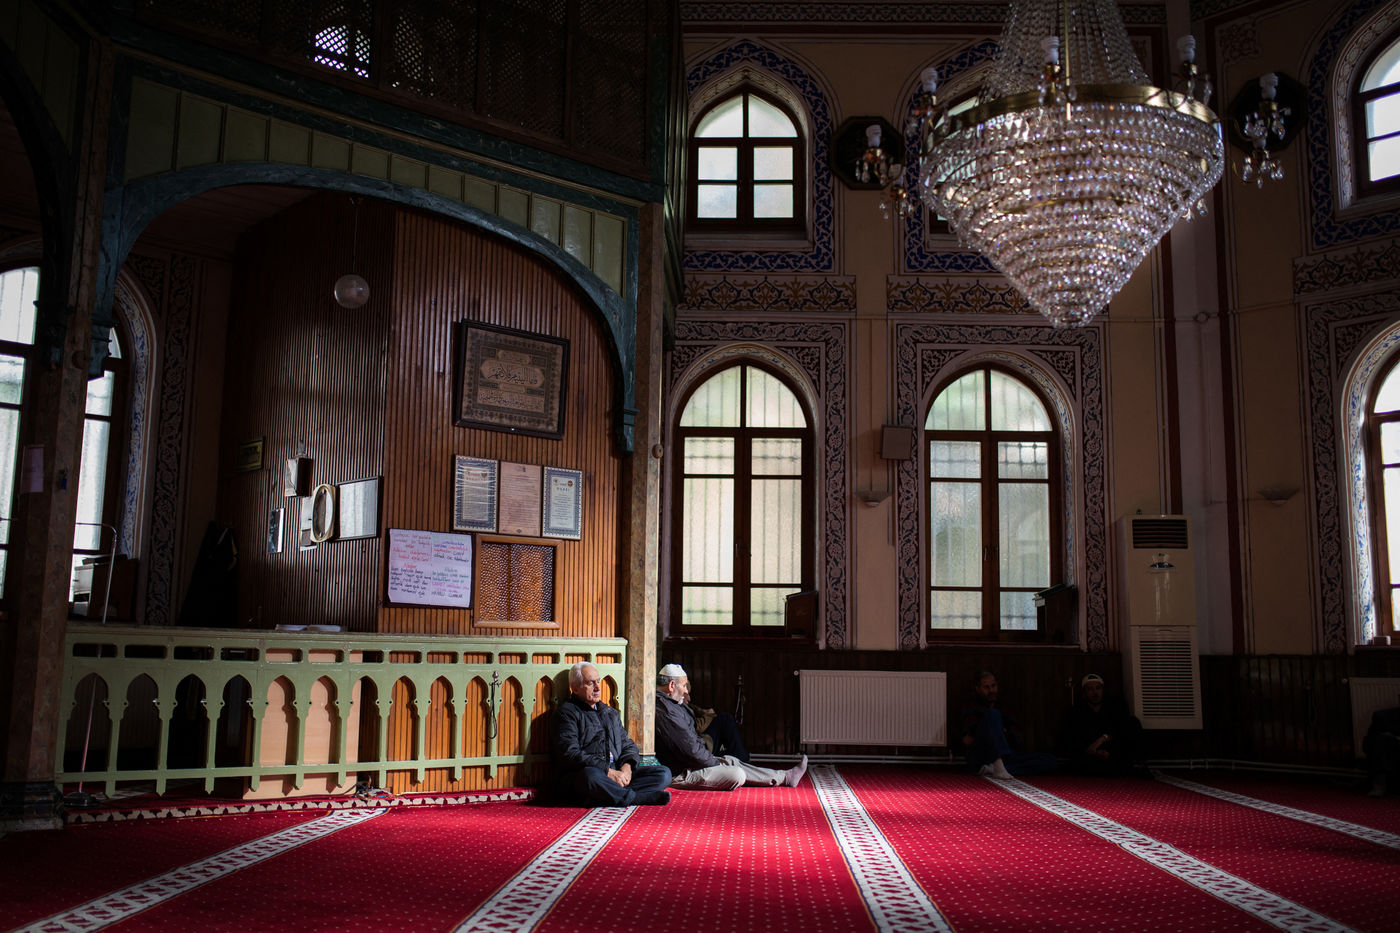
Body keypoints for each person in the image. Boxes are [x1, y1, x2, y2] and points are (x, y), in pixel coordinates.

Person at [654, 663, 808, 790]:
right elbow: (690, 750)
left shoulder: (671, 704)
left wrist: (713, 760)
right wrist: (714, 762)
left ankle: (785, 777)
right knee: (736, 774)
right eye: (684, 686)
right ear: (672, 685)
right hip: (680, 773)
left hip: (690, 763)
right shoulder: (666, 712)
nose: (686, 691)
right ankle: (782, 777)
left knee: (731, 761)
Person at [552, 661, 672, 807]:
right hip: (590, 773)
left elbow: (628, 745)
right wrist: (607, 771)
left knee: (663, 774)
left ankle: (610, 794)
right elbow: (569, 753)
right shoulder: (567, 713)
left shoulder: (609, 713)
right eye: (590, 683)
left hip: (615, 771)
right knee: (590, 777)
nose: (597, 687)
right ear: (575, 688)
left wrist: (627, 768)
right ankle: (636, 798)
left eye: (598, 681)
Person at [960, 670, 1057, 778]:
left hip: (1006, 756)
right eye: (986, 687)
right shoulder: (971, 706)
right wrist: (997, 730)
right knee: (992, 714)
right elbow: (969, 738)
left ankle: (993, 769)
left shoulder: (1003, 707)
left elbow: (1016, 735)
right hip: (982, 756)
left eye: (993, 686)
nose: (991, 690)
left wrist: (998, 733)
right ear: (978, 689)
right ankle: (997, 764)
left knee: (1050, 761)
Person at [1059, 673, 1145, 776]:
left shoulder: (1115, 706)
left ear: (1103, 690)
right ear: (1084, 693)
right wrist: (1094, 752)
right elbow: (1074, 739)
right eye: (1090, 689)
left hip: (1112, 751)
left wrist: (1102, 739)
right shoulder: (1077, 711)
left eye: (1098, 688)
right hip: (1089, 754)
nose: (1095, 692)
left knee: (1133, 722)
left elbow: (1120, 730)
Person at [1363, 705, 1400, 797]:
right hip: (1389, 743)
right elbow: (1369, 742)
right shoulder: (1383, 717)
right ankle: (1379, 783)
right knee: (1384, 738)